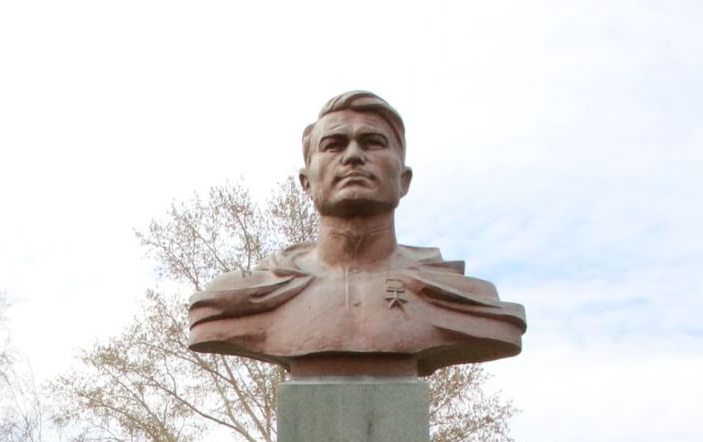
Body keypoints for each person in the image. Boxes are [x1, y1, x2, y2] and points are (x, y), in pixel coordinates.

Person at [187, 90, 526, 375]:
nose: (352, 156)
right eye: (333, 145)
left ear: (404, 180)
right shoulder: (239, 299)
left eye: (372, 143)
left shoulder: (466, 300)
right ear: (306, 182)